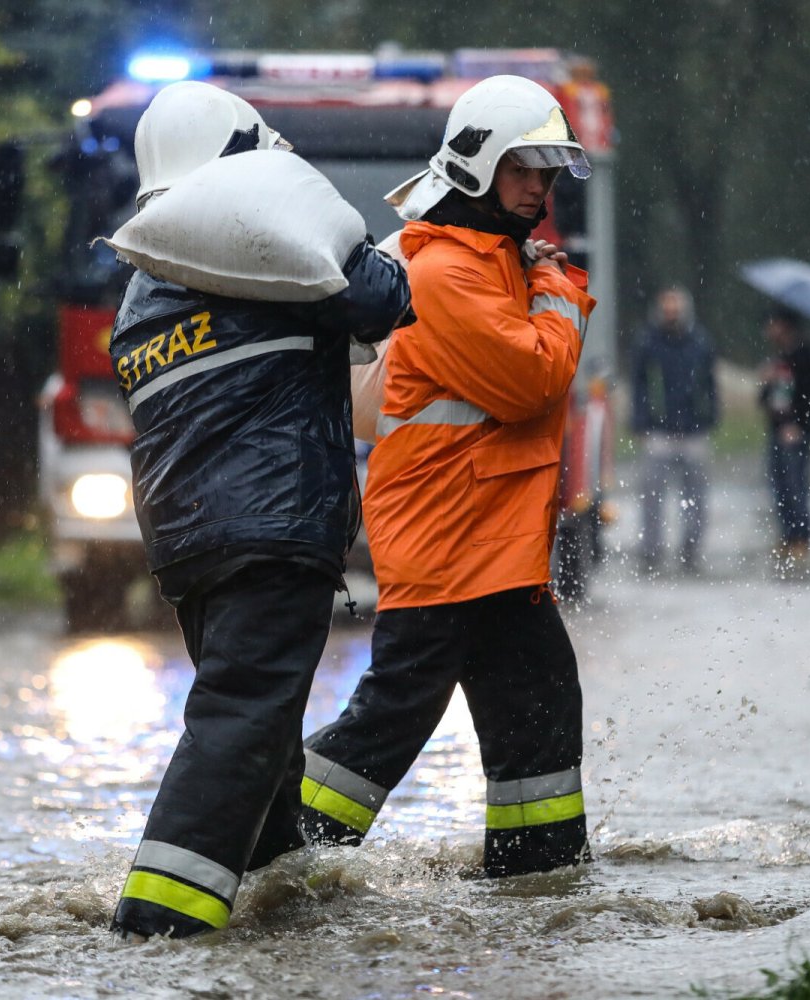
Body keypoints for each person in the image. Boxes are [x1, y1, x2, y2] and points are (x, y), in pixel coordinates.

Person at [106, 82, 413, 940]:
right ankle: (157, 929)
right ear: (243, 153)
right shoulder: (255, 229)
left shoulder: (147, 288)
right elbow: (380, 296)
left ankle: (283, 901)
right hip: (272, 527)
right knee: (240, 720)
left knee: (265, 730)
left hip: (192, 542)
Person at [299, 75, 597, 878]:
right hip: (447, 544)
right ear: (476, 168)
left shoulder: (492, 258)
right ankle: (272, 849)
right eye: (525, 168)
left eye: (549, 170)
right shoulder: (445, 276)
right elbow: (534, 378)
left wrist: (534, 278)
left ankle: (542, 874)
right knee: (390, 719)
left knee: (538, 704)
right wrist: (560, 290)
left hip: (488, 547)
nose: (541, 186)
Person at [629, 286, 718, 575]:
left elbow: (710, 384)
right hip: (658, 432)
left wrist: (710, 418)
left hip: (694, 430)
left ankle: (691, 551)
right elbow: (638, 385)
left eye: (675, 310)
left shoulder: (701, 343)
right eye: (667, 310)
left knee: (696, 497)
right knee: (651, 497)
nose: (671, 315)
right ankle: (651, 552)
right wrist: (641, 422)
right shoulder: (647, 343)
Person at [758, 306, 810, 574]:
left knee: (797, 484)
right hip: (776, 429)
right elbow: (765, 399)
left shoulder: (807, 354)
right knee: (779, 484)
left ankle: (802, 537)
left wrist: (800, 425)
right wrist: (767, 380)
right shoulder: (778, 357)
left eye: (772, 324)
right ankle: (786, 534)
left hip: (796, 432)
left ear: (784, 326)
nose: (768, 329)